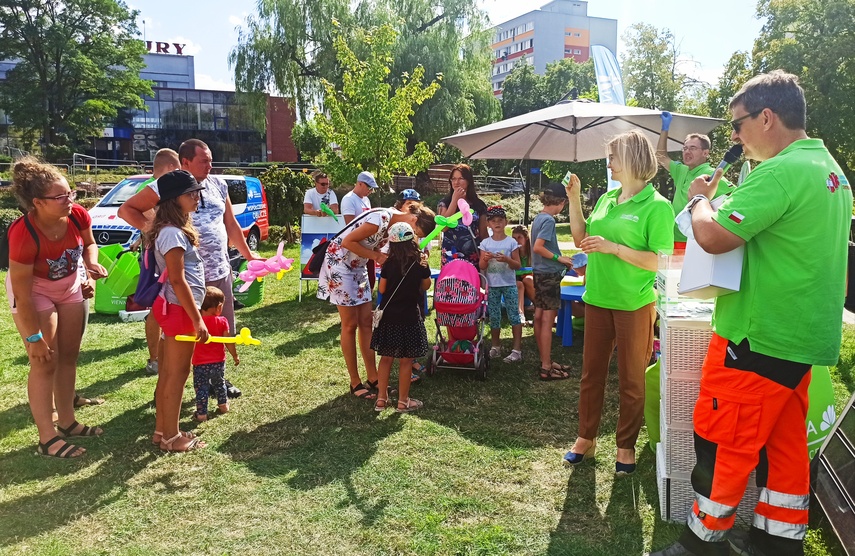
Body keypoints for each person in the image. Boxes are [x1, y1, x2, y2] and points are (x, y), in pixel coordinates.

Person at [649, 72, 852, 556]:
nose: (735, 137)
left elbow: (715, 236)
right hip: (801, 337)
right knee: (784, 447)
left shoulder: (779, 171)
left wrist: (699, 199)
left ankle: (701, 543)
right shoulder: (830, 170)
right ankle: (777, 541)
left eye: (738, 124)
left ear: (766, 116)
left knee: (723, 440)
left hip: (757, 335)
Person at [562, 131, 674, 476]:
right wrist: (575, 199)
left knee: (631, 380)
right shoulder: (608, 199)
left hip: (634, 304)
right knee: (590, 376)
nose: (608, 162)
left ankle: (625, 446)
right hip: (597, 299)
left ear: (632, 159)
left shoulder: (658, 206)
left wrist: (615, 249)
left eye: (613, 156)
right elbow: (581, 240)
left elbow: (659, 261)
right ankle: (586, 439)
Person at [118, 139, 258, 397]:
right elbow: (127, 210)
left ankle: (218, 381)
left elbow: (230, 224)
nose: (210, 165)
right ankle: (175, 386)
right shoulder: (167, 186)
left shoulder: (218, 184)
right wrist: (156, 232)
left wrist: (250, 256)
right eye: (204, 161)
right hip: (185, 276)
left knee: (218, 327)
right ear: (185, 162)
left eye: (211, 159)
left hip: (218, 270)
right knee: (185, 334)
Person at [6, 157, 108, 458]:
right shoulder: (23, 234)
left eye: (70, 193)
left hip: (69, 285)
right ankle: (47, 438)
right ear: (37, 202)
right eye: (61, 196)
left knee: (68, 356)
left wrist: (90, 265)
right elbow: (23, 296)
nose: (70, 200)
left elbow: (89, 243)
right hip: (34, 292)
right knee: (44, 360)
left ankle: (67, 422)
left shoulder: (76, 214)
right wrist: (33, 338)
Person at [317, 204, 436, 401]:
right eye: (416, 232)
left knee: (366, 322)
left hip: (359, 265)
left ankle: (373, 378)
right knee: (350, 324)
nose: (413, 236)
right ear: (414, 220)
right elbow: (348, 242)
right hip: (340, 265)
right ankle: (355, 382)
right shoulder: (380, 219)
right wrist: (377, 256)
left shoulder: (393, 228)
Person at [149, 170, 209, 452]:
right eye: (190, 193)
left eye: (197, 191)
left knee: (169, 373)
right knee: (177, 374)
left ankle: (163, 430)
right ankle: (172, 438)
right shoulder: (172, 233)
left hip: (177, 309)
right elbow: (177, 278)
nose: (197, 197)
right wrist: (197, 319)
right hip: (180, 310)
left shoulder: (171, 230)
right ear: (174, 200)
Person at [121, 148, 181, 376]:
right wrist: (153, 234)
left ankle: (163, 355)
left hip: (163, 251)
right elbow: (137, 215)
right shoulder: (151, 189)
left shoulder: (162, 187)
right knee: (158, 305)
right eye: (177, 169)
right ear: (169, 169)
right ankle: (156, 358)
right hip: (157, 257)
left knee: (165, 303)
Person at [369, 222, 432, 413]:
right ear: (412, 239)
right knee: (406, 361)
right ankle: (403, 402)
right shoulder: (420, 262)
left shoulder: (388, 263)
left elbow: (381, 289)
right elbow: (427, 286)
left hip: (389, 317)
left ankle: (381, 399)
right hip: (409, 317)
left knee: (386, 358)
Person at [656, 117, 731, 247]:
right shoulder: (681, 170)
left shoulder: (712, 175)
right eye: (684, 148)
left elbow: (735, 197)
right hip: (673, 239)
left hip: (694, 243)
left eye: (692, 148)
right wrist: (664, 128)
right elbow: (660, 156)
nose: (687, 152)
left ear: (705, 153)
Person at [530, 182, 576, 380]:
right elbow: (538, 247)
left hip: (540, 274)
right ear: (562, 203)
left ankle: (545, 360)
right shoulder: (548, 220)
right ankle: (546, 367)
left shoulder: (538, 217)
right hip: (549, 276)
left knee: (539, 318)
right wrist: (561, 259)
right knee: (548, 321)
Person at [478, 206, 523, 363]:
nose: (497, 223)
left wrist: (507, 260)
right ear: (488, 224)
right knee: (495, 317)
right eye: (493, 221)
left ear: (506, 222)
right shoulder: (485, 243)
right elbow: (482, 267)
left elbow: (517, 265)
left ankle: (517, 350)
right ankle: (495, 346)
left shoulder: (511, 242)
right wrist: (486, 259)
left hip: (509, 284)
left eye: (500, 220)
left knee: (513, 315)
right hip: (493, 285)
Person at [192, 286, 239, 422]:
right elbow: (228, 341)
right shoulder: (222, 321)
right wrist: (235, 355)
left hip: (200, 363)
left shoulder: (195, 324)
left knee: (201, 388)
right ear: (219, 307)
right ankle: (223, 405)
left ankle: (201, 414)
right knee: (219, 384)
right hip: (218, 362)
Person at [437, 164, 488, 267]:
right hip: (451, 255)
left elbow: (483, 234)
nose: (456, 182)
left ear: (469, 181)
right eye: (453, 179)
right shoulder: (444, 203)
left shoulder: (479, 205)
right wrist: (454, 200)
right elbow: (443, 228)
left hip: (472, 255)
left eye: (461, 178)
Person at [512, 225, 535, 323]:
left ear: (526, 238)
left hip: (532, 284)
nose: (517, 241)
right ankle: (520, 314)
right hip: (517, 284)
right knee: (519, 284)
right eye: (514, 238)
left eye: (519, 237)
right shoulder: (512, 253)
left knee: (527, 279)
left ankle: (540, 308)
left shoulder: (533, 253)